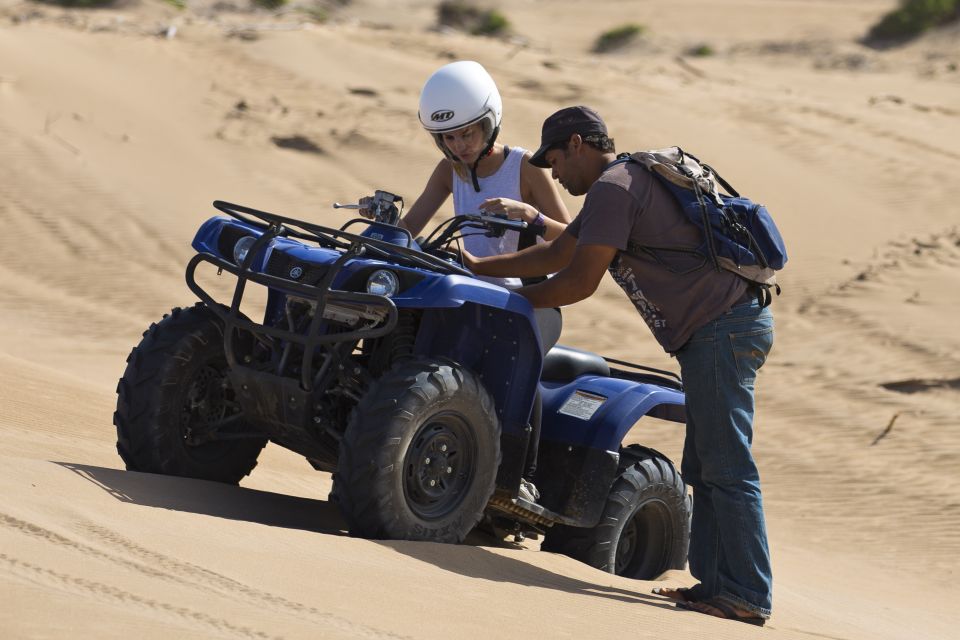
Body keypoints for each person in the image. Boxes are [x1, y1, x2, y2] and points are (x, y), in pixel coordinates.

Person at [464, 105, 775, 626]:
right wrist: (481, 269)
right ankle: (717, 585)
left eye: (558, 160)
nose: (555, 174)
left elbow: (579, 281)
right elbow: (558, 252)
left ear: (580, 144)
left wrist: (515, 303)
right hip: (715, 332)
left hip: (723, 332)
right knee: (704, 465)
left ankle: (747, 593)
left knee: (727, 464)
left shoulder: (616, 186)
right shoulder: (619, 182)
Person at [360, 61, 571, 501]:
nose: (459, 147)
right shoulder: (447, 172)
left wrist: (529, 215)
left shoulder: (525, 168)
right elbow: (412, 228)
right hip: (474, 289)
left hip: (531, 295)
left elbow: (572, 237)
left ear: (490, 124)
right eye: (448, 138)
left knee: (520, 357)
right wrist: (383, 222)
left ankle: (523, 476)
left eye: (468, 134)